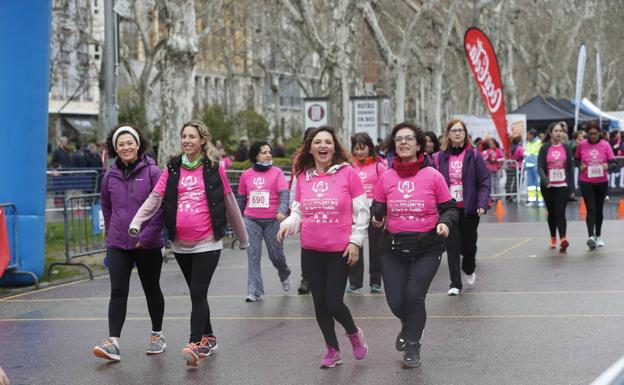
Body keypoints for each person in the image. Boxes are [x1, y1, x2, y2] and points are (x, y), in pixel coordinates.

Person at [129, 120, 249, 367]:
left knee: (197, 292)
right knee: (197, 293)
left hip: (208, 242)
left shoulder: (214, 167)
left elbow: (229, 202)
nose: (187, 140)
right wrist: (137, 221)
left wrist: (243, 236)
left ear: (202, 140)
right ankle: (209, 337)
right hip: (181, 243)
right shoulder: (173, 167)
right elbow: (155, 198)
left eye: (192, 136)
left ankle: (194, 342)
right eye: (184, 136)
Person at [277, 126, 370, 369]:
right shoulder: (302, 177)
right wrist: (288, 224)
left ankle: (353, 333)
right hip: (311, 251)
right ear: (310, 148)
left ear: (334, 147)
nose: (323, 146)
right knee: (319, 304)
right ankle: (333, 350)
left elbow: (362, 212)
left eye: (328, 142)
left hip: (339, 251)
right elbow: (297, 212)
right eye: (317, 142)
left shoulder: (348, 173)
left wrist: (355, 242)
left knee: (333, 302)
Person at [371, 122, 457, 367]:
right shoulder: (386, 177)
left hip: (427, 247)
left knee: (414, 297)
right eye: (399, 139)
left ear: (419, 144)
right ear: (394, 146)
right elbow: (377, 207)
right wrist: (377, 216)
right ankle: (409, 326)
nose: (404, 142)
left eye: (409, 138)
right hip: (393, 248)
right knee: (396, 301)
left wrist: (445, 223)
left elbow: (449, 208)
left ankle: (412, 345)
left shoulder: (433, 175)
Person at [92, 124, 166, 362]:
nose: (125, 147)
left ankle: (157, 334)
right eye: (120, 144)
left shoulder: (153, 172)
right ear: (115, 148)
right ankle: (113, 342)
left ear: (138, 144)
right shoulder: (109, 176)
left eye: (129, 143)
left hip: (148, 244)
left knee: (151, 289)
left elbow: (160, 208)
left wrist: (146, 237)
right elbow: (106, 207)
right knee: (117, 292)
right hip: (118, 244)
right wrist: (110, 238)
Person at [433, 119, 490, 296]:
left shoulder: (474, 155)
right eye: (454, 130)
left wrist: (482, 203)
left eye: (460, 130)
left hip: (470, 209)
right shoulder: (439, 157)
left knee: (468, 246)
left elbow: (484, 181)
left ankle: (469, 267)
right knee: (452, 246)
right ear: (448, 134)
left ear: (465, 134)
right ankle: (455, 283)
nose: (457, 133)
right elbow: (433, 182)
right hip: (449, 210)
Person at [237, 141, 291, 302]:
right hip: (251, 219)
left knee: (276, 255)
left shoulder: (277, 173)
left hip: (272, 220)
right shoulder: (246, 174)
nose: (268, 155)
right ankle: (254, 290)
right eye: (264, 152)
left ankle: (284, 272)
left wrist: (282, 211)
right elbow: (240, 199)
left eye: (269, 152)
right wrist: (238, 220)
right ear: (255, 155)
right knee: (253, 255)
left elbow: (284, 194)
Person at [347, 132, 386, 294]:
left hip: (374, 209)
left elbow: (385, 190)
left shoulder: (379, 166)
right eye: (357, 148)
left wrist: (382, 214)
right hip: (355, 211)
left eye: (364, 148)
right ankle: (355, 283)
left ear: (370, 148)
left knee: (376, 248)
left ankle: (375, 281)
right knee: (355, 244)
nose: (360, 152)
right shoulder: (349, 168)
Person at [575, 121, 615, 250]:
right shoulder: (582, 145)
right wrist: (579, 166)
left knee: (599, 209)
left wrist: (607, 166)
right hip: (586, 181)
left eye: (595, 134)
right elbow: (575, 160)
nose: (593, 136)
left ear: (599, 133)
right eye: (590, 134)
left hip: (601, 182)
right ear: (587, 134)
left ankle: (598, 236)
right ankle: (591, 237)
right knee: (590, 209)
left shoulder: (605, 145)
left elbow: (614, 163)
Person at [537, 122, 575, 252]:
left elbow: (570, 169)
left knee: (560, 211)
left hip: (562, 185)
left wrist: (571, 189)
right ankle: (553, 237)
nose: (559, 133)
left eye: (560, 131)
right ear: (551, 133)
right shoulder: (544, 148)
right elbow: (540, 167)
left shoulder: (566, 148)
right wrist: (545, 180)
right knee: (552, 213)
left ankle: (563, 238)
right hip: (548, 186)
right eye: (556, 131)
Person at [524, 129, 544, 206]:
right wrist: (525, 164)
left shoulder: (539, 143)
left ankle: (540, 201)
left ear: (532, 135)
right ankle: (532, 200)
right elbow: (526, 154)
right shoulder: (528, 143)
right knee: (530, 185)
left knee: (538, 184)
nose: (527, 136)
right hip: (529, 167)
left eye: (528, 135)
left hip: (536, 166)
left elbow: (541, 155)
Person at [505, 135, 524, 202]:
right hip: (518, 166)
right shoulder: (519, 148)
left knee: (509, 181)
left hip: (510, 166)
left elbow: (506, 155)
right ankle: (514, 195)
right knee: (517, 181)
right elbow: (522, 156)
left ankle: (508, 195)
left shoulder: (509, 148)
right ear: (519, 141)